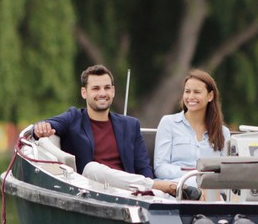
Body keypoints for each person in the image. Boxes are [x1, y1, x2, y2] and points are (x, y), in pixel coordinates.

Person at [33, 64, 182, 196]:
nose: (102, 93)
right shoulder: (74, 117)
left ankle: (164, 191)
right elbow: (50, 124)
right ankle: (162, 187)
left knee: (176, 192)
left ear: (113, 91)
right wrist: (41, 128)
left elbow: (143, 168)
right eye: (96, 89)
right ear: (84, 93)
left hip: (131, 193)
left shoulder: (130, 125)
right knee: (92, 168)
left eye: (107, 88)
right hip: (93, 193)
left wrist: (152, 192)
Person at [154, 69, 233, 197]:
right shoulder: (168, 123)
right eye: (187, 91)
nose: (190, 97)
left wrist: (204, 180)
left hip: (211, 192)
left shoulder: (223, 133)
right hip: (175, 191)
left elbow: (226, 172)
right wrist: (193, 175)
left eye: (197, 92)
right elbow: (160, 168)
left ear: (210, 96)